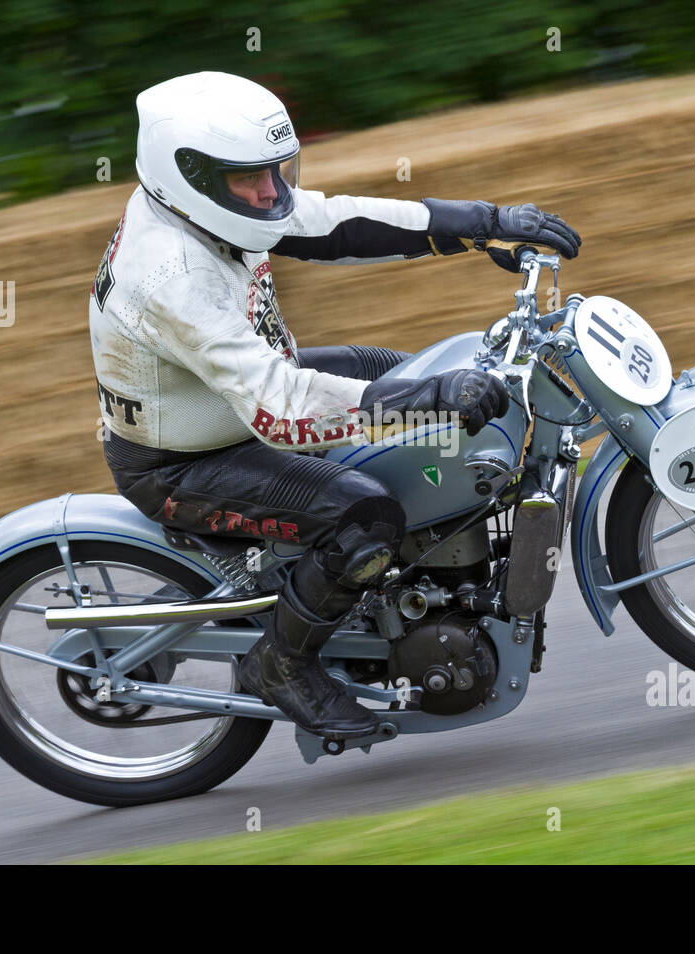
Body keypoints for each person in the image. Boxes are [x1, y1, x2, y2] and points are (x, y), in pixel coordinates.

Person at [91, 71, 581, 740]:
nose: (273, 191)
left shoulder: (206, 210)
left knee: (396, 372)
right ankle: (282, 663)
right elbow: (283, 410)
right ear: (194, 176)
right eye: (250, 178)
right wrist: (427, 401)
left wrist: (482, 222)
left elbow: (339, 224)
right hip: (187, 461)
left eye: (275, 170)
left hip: (230, 403)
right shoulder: (171, 273)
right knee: (367, 515)